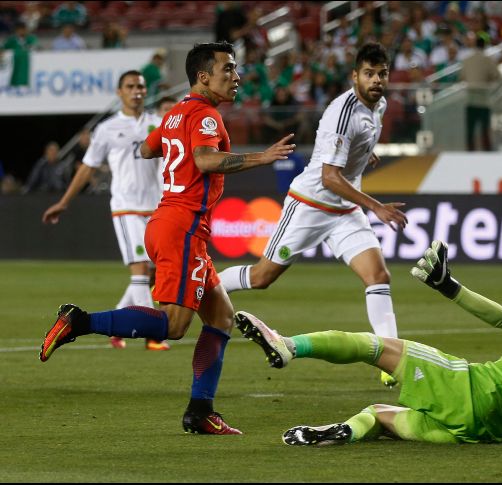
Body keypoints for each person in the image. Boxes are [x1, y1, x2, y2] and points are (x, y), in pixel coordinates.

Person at [39, 41, 296, 435]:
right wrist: (261, 157)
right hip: (183, 227)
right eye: (227, 69)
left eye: (235, 68)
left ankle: (200, 412)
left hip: (168, 221)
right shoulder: (206, 116)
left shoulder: (176, 113)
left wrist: (171, 145)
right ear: (203, 77)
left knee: (222, 316)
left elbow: (145, 148)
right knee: (175, 326)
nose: (236, 76)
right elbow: (206, 159)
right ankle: (80, 321)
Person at [234, 240, 502, 445]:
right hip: (478, 434)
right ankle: (345, 432)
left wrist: (449, 286)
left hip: (467, 390)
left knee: (374, 346)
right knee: (377, 413)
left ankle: (288, 345)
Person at [219, 43, 408, 388]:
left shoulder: (378, 104)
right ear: (355, 76)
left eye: (382, 73)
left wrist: (366, 153)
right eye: (369, 73)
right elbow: (328, 177)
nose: (377, 80)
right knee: (262, 278)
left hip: (344, 211)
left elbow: (351, 149)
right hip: (310, 204)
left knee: (378, 277)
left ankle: (392, 359)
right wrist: (376, 206)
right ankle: (207, 287)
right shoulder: (343, 111)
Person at [42, 70, 170, 352]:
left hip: (157, 208)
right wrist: (64, 201)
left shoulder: (157, 124)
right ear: (119, 92)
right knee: (140, 271)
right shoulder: (107, 129)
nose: (137, 90)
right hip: (127, 208)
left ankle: (119, 323)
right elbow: (87, 167)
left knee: (151, 274)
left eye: (141, 86)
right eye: (130, 86)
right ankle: (153, 336)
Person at [459, 32, 500, 151]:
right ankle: (486, 151)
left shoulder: (467, 60)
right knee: (484, 128)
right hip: (484, 99)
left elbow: (462, 77)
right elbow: (496, 75)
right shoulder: (488, 59)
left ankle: (470, 151)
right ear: (485, 45)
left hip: (470, 98)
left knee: (470, 128)